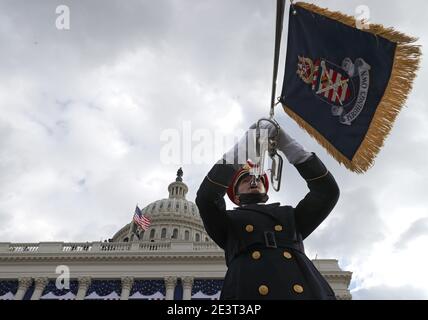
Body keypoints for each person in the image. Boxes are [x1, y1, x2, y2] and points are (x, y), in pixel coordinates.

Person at [195, 120, 340, 300]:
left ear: (266, 191)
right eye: (245, 181)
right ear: (236, 196)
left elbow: (327, 192)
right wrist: (241, 150)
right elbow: (206, 199)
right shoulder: (227, 221)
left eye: (258, 181)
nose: (253, 181)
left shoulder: (290, 216)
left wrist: (288, 146)